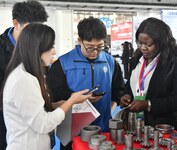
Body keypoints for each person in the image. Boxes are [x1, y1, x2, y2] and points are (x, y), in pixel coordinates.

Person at [0, 23, 92, 150]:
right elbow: (43, 124)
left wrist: (57, 105)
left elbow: (32, 111)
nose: (54, 51)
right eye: (51, 46)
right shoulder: (23, 80)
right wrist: (71, 101)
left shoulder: (30, 74)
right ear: (37, 48)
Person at [46, 16, 124, 150]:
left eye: (100, 47)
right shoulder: (63, 63)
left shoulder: (110, 62)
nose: (95, 52)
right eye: (90, 47)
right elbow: (55, 95)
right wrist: (78, 99)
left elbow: (118, 90)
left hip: (103, 129)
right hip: (72, 131)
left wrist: (109, 111)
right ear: (79, 41)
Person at [120, 17, 177, 132]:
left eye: (148, 44)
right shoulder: (136, 59)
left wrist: (148, 104)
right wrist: (126, 95)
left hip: (163, 128)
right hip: (135, 126)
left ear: (161, 42)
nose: (143, 47)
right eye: (140, 43)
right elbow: (131, 84)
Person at [0, 1, 48, 149]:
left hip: (37, 124)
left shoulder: (39, 49)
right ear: (16, 23)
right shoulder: (2, 50)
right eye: (30, 29)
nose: (35, 36)